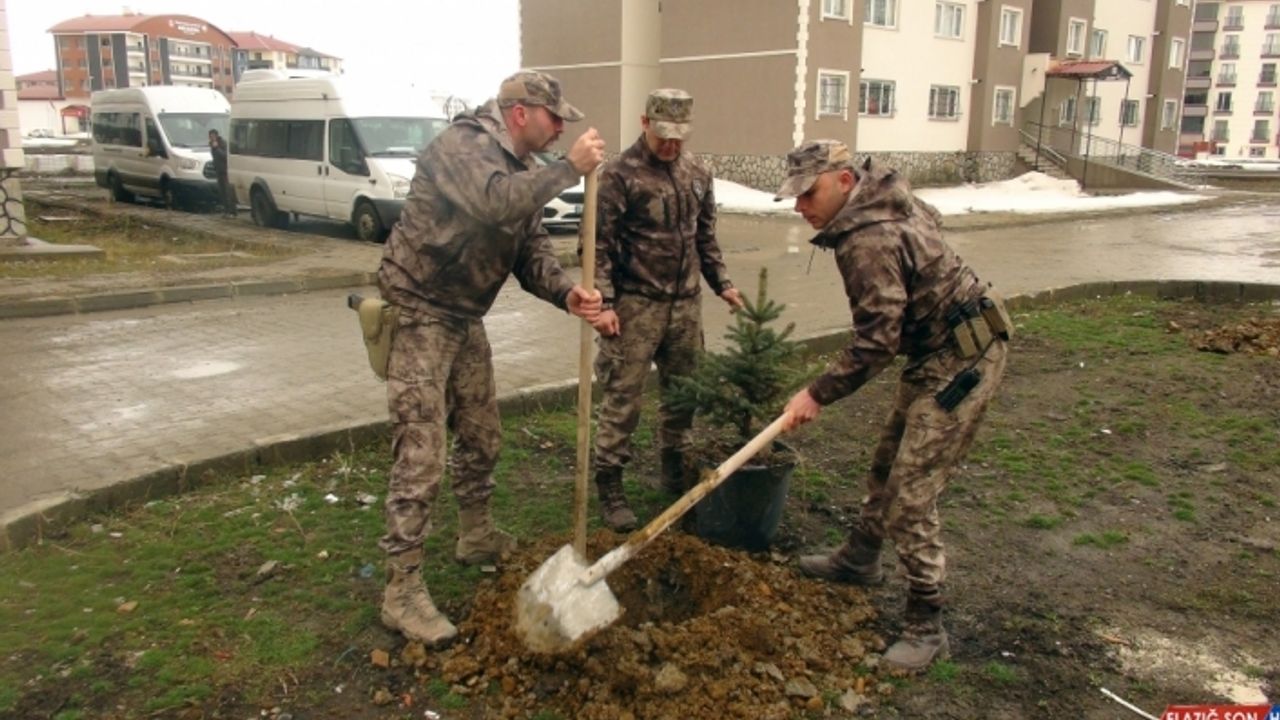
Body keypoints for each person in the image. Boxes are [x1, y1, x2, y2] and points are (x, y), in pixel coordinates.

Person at [375, 70, 605, 647]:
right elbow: (493, 202)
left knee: (482, 434)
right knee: (421, 454)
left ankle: (475, 534)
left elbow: (530, 251)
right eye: (555, 117)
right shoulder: (464, 145)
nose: (561, 128)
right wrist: (569, 169)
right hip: (419, 311)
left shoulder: (523, 169)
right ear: (520, 112)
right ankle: (401, 591)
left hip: (463, 316)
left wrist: (566, 293)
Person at [775, 140, 1010, 671]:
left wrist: (816, 393)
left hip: (964, 359)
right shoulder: (886, 193)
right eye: (794, 196)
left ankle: (926, 625)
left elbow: (877, 342)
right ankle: (860, 558)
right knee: (888, 462)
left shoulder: (867, 239)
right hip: (936, 350)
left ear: (843, 181)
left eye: (808, 193)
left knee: (911, 493)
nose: (800, 206)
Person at [588, 89, 743, 531]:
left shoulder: (698, 172)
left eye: (679, 136)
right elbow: (597, 245)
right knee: (623, 398)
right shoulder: (618, 175)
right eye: (663, 136)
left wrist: (723, 284)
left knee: (684, 394)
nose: (671, 145)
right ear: (645, 123)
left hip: (685, 307)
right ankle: (610, 483)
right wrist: (605, 303)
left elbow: (704, 236)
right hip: (634, 307)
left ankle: (674, 470)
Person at [207, 129, 234, 217]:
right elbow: (215, 158)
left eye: (213, 136)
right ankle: (226, 210)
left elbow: (225, 156)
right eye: (210, 136)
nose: (211, 138)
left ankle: (232, 211)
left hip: (225, 171)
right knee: (222, 192)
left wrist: (217, 148)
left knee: (227, 191)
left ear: (216, 136)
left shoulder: (222, 143)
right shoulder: (211, 145)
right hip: (218, 171)